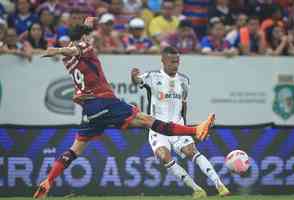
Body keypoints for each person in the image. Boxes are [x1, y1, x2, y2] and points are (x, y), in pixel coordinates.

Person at [33, 17, 215, 199]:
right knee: (149, 121)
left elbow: (77, 45)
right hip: (104, 102)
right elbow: (77, 47)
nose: (91, 40)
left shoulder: (68, 61)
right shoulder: (83, 48)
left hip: (90, 110)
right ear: (83, 38)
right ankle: (195, 130)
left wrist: (88, 22)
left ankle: (48, 180)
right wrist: (57, 50)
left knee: (75, 149)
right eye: (88, 37)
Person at [131, 46, 230, 198]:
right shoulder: (152, 77)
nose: (175, 65)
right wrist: (134, 76)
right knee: (164, 156)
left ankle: (220, 186)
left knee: (192, 152)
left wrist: (188, 128)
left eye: (177, 62)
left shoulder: (184, 81)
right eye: (172, 62)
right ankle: (197, 189)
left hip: (177, 125)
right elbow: (136, 81)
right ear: (163, 61)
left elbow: (183, 105)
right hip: (158, 127)